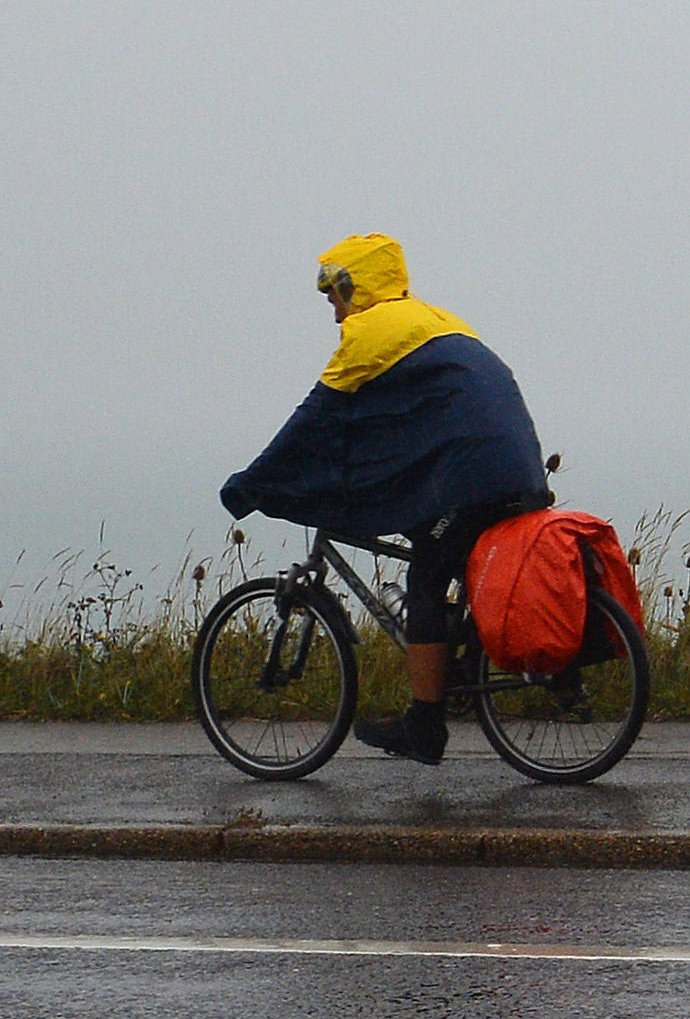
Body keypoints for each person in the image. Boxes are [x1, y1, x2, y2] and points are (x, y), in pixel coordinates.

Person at [221, 234, 552, 765]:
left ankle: (424, 724)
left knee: (424, 578)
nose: (334, 314)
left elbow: (316, 419)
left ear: (353, 286)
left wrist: (254, 481)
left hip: (474, 477)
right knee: (444, 550)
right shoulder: (438, 320)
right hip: (515, 468)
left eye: (334, 297)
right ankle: (462, 660)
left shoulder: (370, 332)